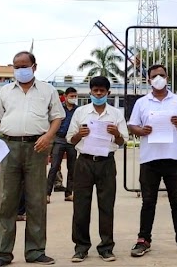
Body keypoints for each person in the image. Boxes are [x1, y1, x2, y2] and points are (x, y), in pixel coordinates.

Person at [0, 51, 65, 267]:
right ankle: (3, 253)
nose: (20, 70)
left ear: (34, 66)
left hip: (36, 148)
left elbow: (57, 117)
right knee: (7, 200)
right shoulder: (5, 91)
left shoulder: (48, 91)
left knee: (36, 200)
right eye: (16, 66)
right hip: (8, 147)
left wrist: (48, 137)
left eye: (24, 66)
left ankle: (36, 251)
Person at [127, 64, 177, 258]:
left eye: (162, 75)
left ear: (167, 77)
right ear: (148, 80)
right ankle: (143, 240)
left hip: (173, 157)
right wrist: (140, 131)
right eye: (155, 76)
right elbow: (132, 125)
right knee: (148, 202)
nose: (159, 78)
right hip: (150, 159)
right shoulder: (142, 102)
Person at [67, 76, 127, 263]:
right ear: (90, 92)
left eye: (102, 91)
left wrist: (116, 134)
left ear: (108, 93)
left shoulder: (116, 114)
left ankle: (106, 247)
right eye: (95, 91)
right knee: (81, 206)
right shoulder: (81, 112)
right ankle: (81, 247)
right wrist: (80, 134)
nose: (98, 94)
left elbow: (122, 141)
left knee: (106, 205)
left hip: (106, 163)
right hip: (84, 162)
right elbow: (70, 139)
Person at [46, 87, 79, 203]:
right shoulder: (59, 108)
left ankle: (69, 193)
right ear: (66, 96)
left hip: (72, 141)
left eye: (75, 96)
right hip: (59, 139)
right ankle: (47, 193)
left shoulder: (78, 110)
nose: (73, 98)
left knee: (72, 168)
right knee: (54, 167)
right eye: (71, 96)